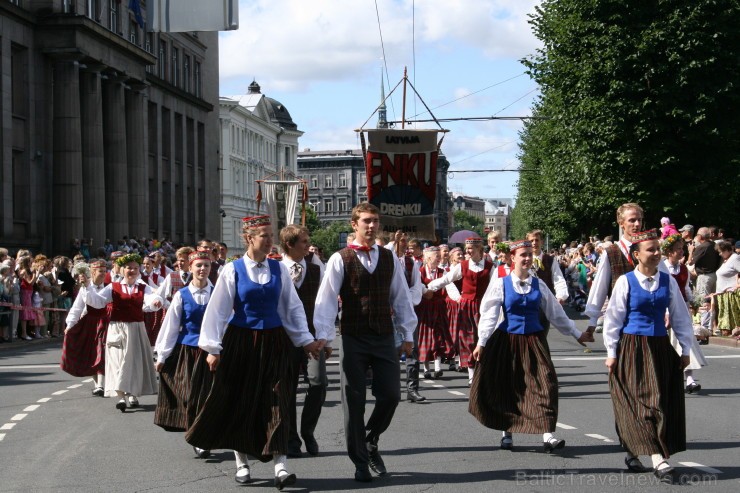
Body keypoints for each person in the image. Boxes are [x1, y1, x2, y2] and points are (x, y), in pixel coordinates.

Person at [185, 216, 322, 489]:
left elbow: (291, 308)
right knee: (241, 399)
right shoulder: (232, 270)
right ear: (249, 238)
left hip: (274, 342)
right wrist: (212, 348)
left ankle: (280, 465)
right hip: (241, 342)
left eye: (271, 235)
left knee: (279, 399)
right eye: (265, 235)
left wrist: (305, 340)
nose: (271, 240)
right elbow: (219, 310)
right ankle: (242, 463)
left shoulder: (279, 269)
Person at [313, 203, 417, 483]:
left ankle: (371, 439)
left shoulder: (389, 257)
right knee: (354, 400)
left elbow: (401, 298)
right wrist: (323, 335)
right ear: (354, 224)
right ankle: (360, 461)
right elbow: (326, 300)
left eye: (375, 221)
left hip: (384, 335)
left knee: (391, 395)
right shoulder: (340, 258)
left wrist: (407, 335)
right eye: (366, 221)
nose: (371, 226)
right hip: (354, 336)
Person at [470, 240, 592, 453]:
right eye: (522, 255)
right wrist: (482, 342)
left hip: (534, 341)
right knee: (508, 386)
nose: (526, 258)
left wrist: (577, 333)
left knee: (546, 384)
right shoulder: (501, 283)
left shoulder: (539, 285)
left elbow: (556, 314)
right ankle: (506, 431)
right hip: (507, 341)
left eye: (529, 254)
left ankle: (548, 435)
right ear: (512, 258)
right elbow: (489, 315)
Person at [603, 229, 694, 484]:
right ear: (636, 255)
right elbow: (613, 321)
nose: (656, 254)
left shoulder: (668, 282)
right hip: (632, 348)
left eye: (657, 249)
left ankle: (634, 453)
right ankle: (658, 459)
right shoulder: (626, 281)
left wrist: (685, 349)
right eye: (650, 250)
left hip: (660, 348)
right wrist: (611, 352)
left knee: (660, 400)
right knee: (643, 402)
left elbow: (680, 318)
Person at [153, 250, 214, 460]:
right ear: (190, 268)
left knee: (208, 397)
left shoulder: (218, 294)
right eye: (198, 265)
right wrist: (161, 357)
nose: (202, 269)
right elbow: (170, 327)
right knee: (189, 395)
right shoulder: (182, 295)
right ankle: (196, 435)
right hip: (187, 352)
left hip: (211, 353)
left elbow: (227, 323)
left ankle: (202, 436)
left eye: (206, 265)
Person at [84, 253, 162, 411]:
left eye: (135, 268)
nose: (132, 271)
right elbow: (98, 302)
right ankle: (121, 397)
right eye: (128, 268)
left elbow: (150, 300)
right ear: (121, 270)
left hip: (136, 328)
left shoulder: (143, 287)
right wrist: (87, 287)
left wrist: (155, 301)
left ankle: (132, 393)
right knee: (119, 362)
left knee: (133, 362)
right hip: (117, 328)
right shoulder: (114, 287)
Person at [279, 224, 329, 457]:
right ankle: (291, 438)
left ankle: (307, 431)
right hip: (283, 338)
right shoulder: (275, 268)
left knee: (318, 383)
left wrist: (324, 338)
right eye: (303, 242)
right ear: (289, 244)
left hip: (312, 336)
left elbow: (325, 305)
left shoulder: (316, 266)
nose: (308, 246)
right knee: (286, 390)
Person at [426, 237, 494, 386]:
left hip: (484, 306)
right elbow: (447, 279)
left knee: (483, 339)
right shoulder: (462, 266)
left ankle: (483, 372)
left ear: (480, 249)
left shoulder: (490, 267)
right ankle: (471, 376)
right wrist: (429, 287)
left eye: (471, 248)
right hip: (466, 306)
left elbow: (496, 286)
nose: (468, 251)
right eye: (467, 248)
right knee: (467, 340)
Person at [585, 203, 661, 333]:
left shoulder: (651, 250)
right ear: (621, 223)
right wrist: (592, 322)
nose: (637, 224)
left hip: (651, 318)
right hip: (622, 320)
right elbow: (600, 287)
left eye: (639, 220)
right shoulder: (611, 252)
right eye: (632, 220)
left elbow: (665, 280)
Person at [662, 234, 707, 393]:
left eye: (682, 249)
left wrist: (694, 302)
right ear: (668, 252)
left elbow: (686, 289)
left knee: (686, 344)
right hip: (665, 312)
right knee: (667, 347)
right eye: (678, 249)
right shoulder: (662, 268)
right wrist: (666, 311)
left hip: (681, 311)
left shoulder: (683, 269)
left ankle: (690, 380)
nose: (682, 252)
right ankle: (667, 380)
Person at [61, 260, 109, 396]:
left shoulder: (109, 287)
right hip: (89, 323)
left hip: (105, 322)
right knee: (91, 353)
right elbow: (77, 308)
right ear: (92, 273)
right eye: (101, 271)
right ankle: (97, 384)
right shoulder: (85, 288)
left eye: (105, 271)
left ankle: (100, 384)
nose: (104, 274)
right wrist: (70, 325)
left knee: (101, 351)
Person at [417, 246, 452, 383]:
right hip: (425, 307)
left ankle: (437, 367)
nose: (439, 258)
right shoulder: (419, 272)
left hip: (438, 307)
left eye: (439, 256)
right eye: (437, 256)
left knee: (438, 335)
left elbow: (449, 286)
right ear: (428, 258)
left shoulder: (443, 272)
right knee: (426, 336)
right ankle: (426, 368)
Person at [712, 240, 740, 336]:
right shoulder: (727, 260)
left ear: (727, 250)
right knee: (725, 324)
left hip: (730, 294)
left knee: (731, 322)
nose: (720, 254)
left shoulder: (735, 258)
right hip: (723, 295)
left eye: (721, 251)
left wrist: (737, 285)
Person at [687, 227, 721, 298]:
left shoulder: (702, 247)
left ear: (700, 236)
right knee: (712, 300)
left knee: (703, 300)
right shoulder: (713, 244)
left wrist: (690, 251)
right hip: (714, 275)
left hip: (704, 277)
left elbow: (690, 262)